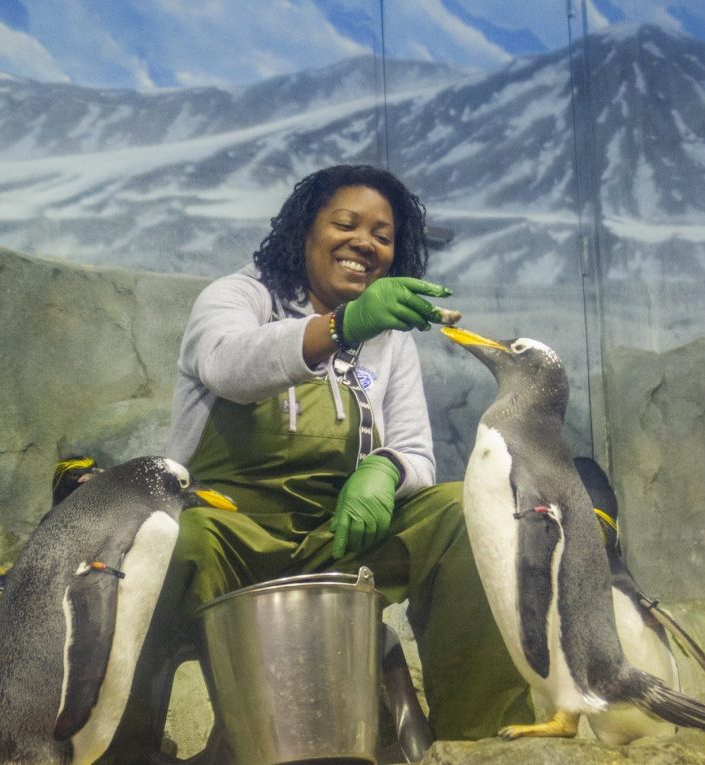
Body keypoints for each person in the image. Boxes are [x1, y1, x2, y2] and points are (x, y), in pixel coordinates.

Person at [105, 164, 531, 762]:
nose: (365, 242)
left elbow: (416, 452)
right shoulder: (240, 297)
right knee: (169, 542)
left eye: (383, 234)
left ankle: (480, 737)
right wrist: (340, 326)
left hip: (335, 535)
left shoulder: (391, 337)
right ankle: (121, 745)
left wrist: (385, 471)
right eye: (346, 224)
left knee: (460, 518)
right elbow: (229, 364)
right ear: (305, 231)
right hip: (229, 527)